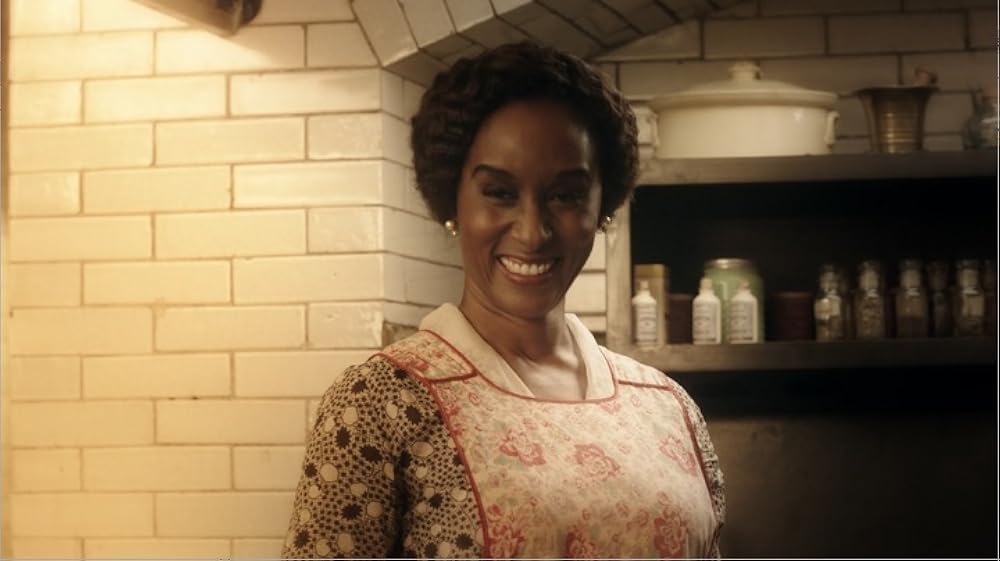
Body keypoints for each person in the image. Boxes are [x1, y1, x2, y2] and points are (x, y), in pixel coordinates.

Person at [281, 41, 725, 559]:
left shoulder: (665, 406)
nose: (533, 232)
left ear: (603, 206)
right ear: (451, 200)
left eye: (565, 195)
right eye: (499, 192)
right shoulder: (382, 402)